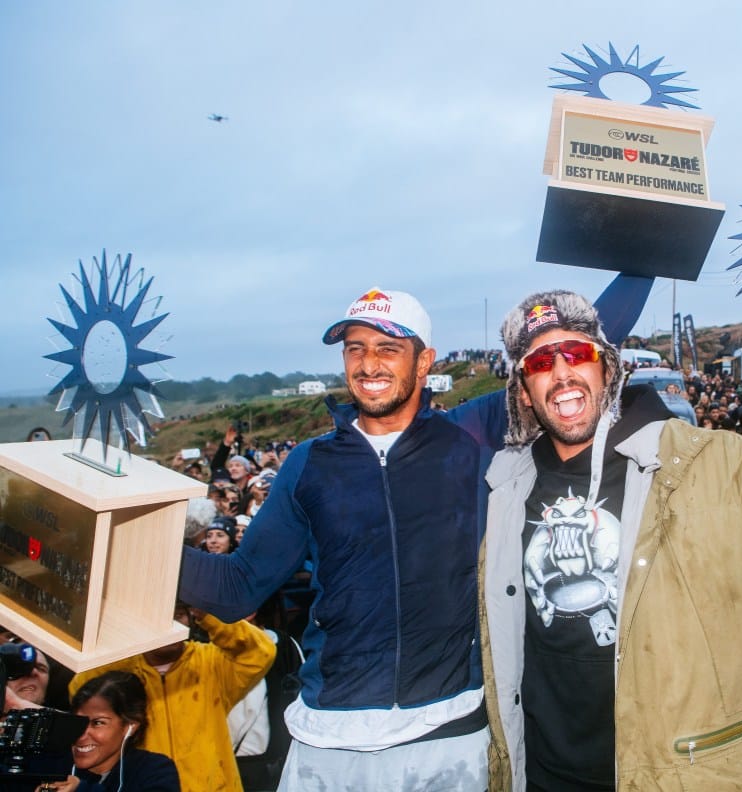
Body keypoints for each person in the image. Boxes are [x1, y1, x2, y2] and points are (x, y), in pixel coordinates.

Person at [177, 280, 649, 790]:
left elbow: (576, 337)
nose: (368, 364)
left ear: (424, 363)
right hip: (329, 737)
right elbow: (239, 586)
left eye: (387, 349)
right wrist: (120, 553)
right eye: (354, 348)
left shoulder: (469, 438)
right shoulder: (308, 464)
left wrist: (645, 248)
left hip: (449, 732)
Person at [479, 290, 742, 790]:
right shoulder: (504, 489)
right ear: (523, 389)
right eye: (542, 361)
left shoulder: (708, 462)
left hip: (681, 775)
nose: (562, 371)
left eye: (578, 353)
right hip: (545, 776)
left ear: (607, 367)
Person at [69, 604, 275, 792]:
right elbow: (79, 688)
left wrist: (206, 610)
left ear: (192, 618)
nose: (169, 626)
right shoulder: (122, 670)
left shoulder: (212, 663)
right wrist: (127, 642)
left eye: (178, 615)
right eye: (158, 617)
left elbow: (261, 652)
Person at [49, 671, 180, 792]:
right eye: (77, 721)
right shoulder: (53, 764)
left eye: (98, 723)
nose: (80, 735)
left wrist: (82, 789)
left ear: (130, 725)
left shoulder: (154, 770)